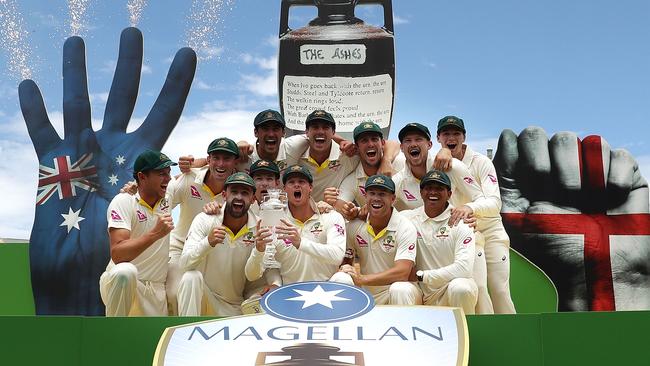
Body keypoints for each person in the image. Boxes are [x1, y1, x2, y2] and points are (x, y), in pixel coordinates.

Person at [435, 116, 516, 314]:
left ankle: (512, 337)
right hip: (463, 235)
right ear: (438, 138)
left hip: (491, 231)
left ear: (464, 137)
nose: (451, 138)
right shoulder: (436, 164)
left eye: (456, 133)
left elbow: (495, 203)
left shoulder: (482, 162)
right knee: (477, 289)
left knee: (500, 290)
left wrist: (470, 207)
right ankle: (485, 336)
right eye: (446, 134)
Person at [163, 137, 240, 315]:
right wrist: (136, 189)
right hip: (180, 247)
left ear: (236, 162)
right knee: (175, 293)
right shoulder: (189, 179)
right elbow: (161, 201)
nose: (221, 164)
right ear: (208, 160)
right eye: (216, 158)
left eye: (227, 158)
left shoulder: (238, 189)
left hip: (214, 251)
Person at [99, 150, 177, 316]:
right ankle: (112, 334)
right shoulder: (124, 201)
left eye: (169, 173)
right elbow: (118, 254)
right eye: (161, 173)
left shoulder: (168, 196)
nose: (168, 178)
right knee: (125, 272)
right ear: (142, 177)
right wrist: (155, 233)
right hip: (125, 284)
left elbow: (200, 170)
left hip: (155, 290)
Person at [246, 165, 348, 285]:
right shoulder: (274, 221)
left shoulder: (331, 216)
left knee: (343, 278)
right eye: (291, 182)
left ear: (310, 187)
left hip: (327, 291)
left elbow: (337, 256)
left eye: (302, 181)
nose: (296, 185)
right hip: (290, 294)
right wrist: (259, 251)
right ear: (284, 189)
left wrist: (300, 243)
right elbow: (252, 275)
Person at [176, 172, 259, 316]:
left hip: (234, 306)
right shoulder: (205, 219)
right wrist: (208, 242)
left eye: (245, 193)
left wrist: (261, 251)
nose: (239, 197)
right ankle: (187, 334)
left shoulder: (259, 227)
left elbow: (255, 275)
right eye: (234, 192)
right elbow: (184, 263)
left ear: (253, 199)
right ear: (224, 195)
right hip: (205, 298)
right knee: (190, 277)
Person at [401, 170, 478, 314]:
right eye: (429, 188)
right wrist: (361, 212)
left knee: (461, 287)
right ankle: (405, 335)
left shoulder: (462, 221)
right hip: (420, 292)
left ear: (449, 194)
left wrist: (422, 276)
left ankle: (467, 334)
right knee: (400, 289)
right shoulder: (407, 218)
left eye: (439, 189)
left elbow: (464, 269)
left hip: (448, 289)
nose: (433, 192)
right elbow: (381, 216)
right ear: (421, 192)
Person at [337, 175, 422, 305]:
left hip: (395, 292)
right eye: (372, 193)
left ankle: (401, 325)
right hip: (366, 292)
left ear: (393, 199)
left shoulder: (405, 227)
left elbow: (402, 273)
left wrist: (363, 279)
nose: (376, 198)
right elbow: (346, 260)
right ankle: (343, 324)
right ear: (365, 196)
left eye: (382, 194)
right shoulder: (354, 226)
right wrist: (347, 269)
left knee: (400, 289)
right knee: (340, 277)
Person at [323, 121, 404, 220]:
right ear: (356, 147)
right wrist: (353, 212)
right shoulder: (354, 178)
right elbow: (341, 204)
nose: (370, 144)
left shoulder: (399, 163)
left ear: (382, 143)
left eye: (374, 139)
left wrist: (386, 160)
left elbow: (394, 144)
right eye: (364, 140)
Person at [282, 110, 361, 202]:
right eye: (315, 127)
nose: (320, 131)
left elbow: (372, 152)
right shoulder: (295, 152)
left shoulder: (347, 155)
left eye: (325, 127)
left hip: (331, 214)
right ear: (307, 132)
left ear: (333, 132)